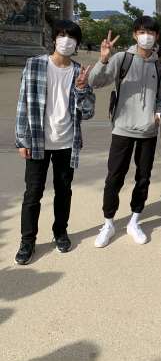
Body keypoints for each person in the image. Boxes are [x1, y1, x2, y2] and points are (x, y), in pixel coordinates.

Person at [15, 20, 95, 265]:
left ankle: (60, 232)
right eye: (62, 35)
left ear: (77, 44)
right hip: (37, 140)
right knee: (33, 193)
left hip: (67, 141)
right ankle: (27, 240)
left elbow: (88, 112)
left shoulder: (80, 71)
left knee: (63, 191)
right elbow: (23, 103)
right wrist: (21, 140)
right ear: (53, 39)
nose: (66, 41)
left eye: (72, 38)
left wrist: (81, 89)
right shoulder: (35, 64)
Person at [88, 16, 161, 248]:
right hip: (122, 128)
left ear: (157, 36)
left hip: (148, 131)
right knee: (114, 176)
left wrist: (158, 114)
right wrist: (103, 59)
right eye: (142, 32)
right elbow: (95, 82)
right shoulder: (122, 58)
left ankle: (135, 220)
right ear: (135, 35)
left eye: (151, 33)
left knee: (143, 177)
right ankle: (108, 223)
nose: (146, 36)